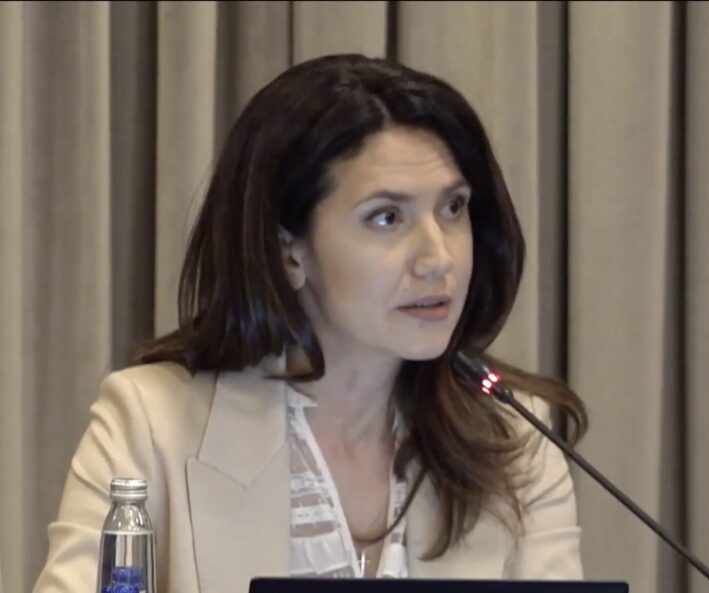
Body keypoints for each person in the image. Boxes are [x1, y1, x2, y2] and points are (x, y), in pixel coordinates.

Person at [33, 53, 588, 593]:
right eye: (387, 217)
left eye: (453, 208)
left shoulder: (515, 440)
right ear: (288, 253)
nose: (438, 258)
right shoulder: (150, 424)